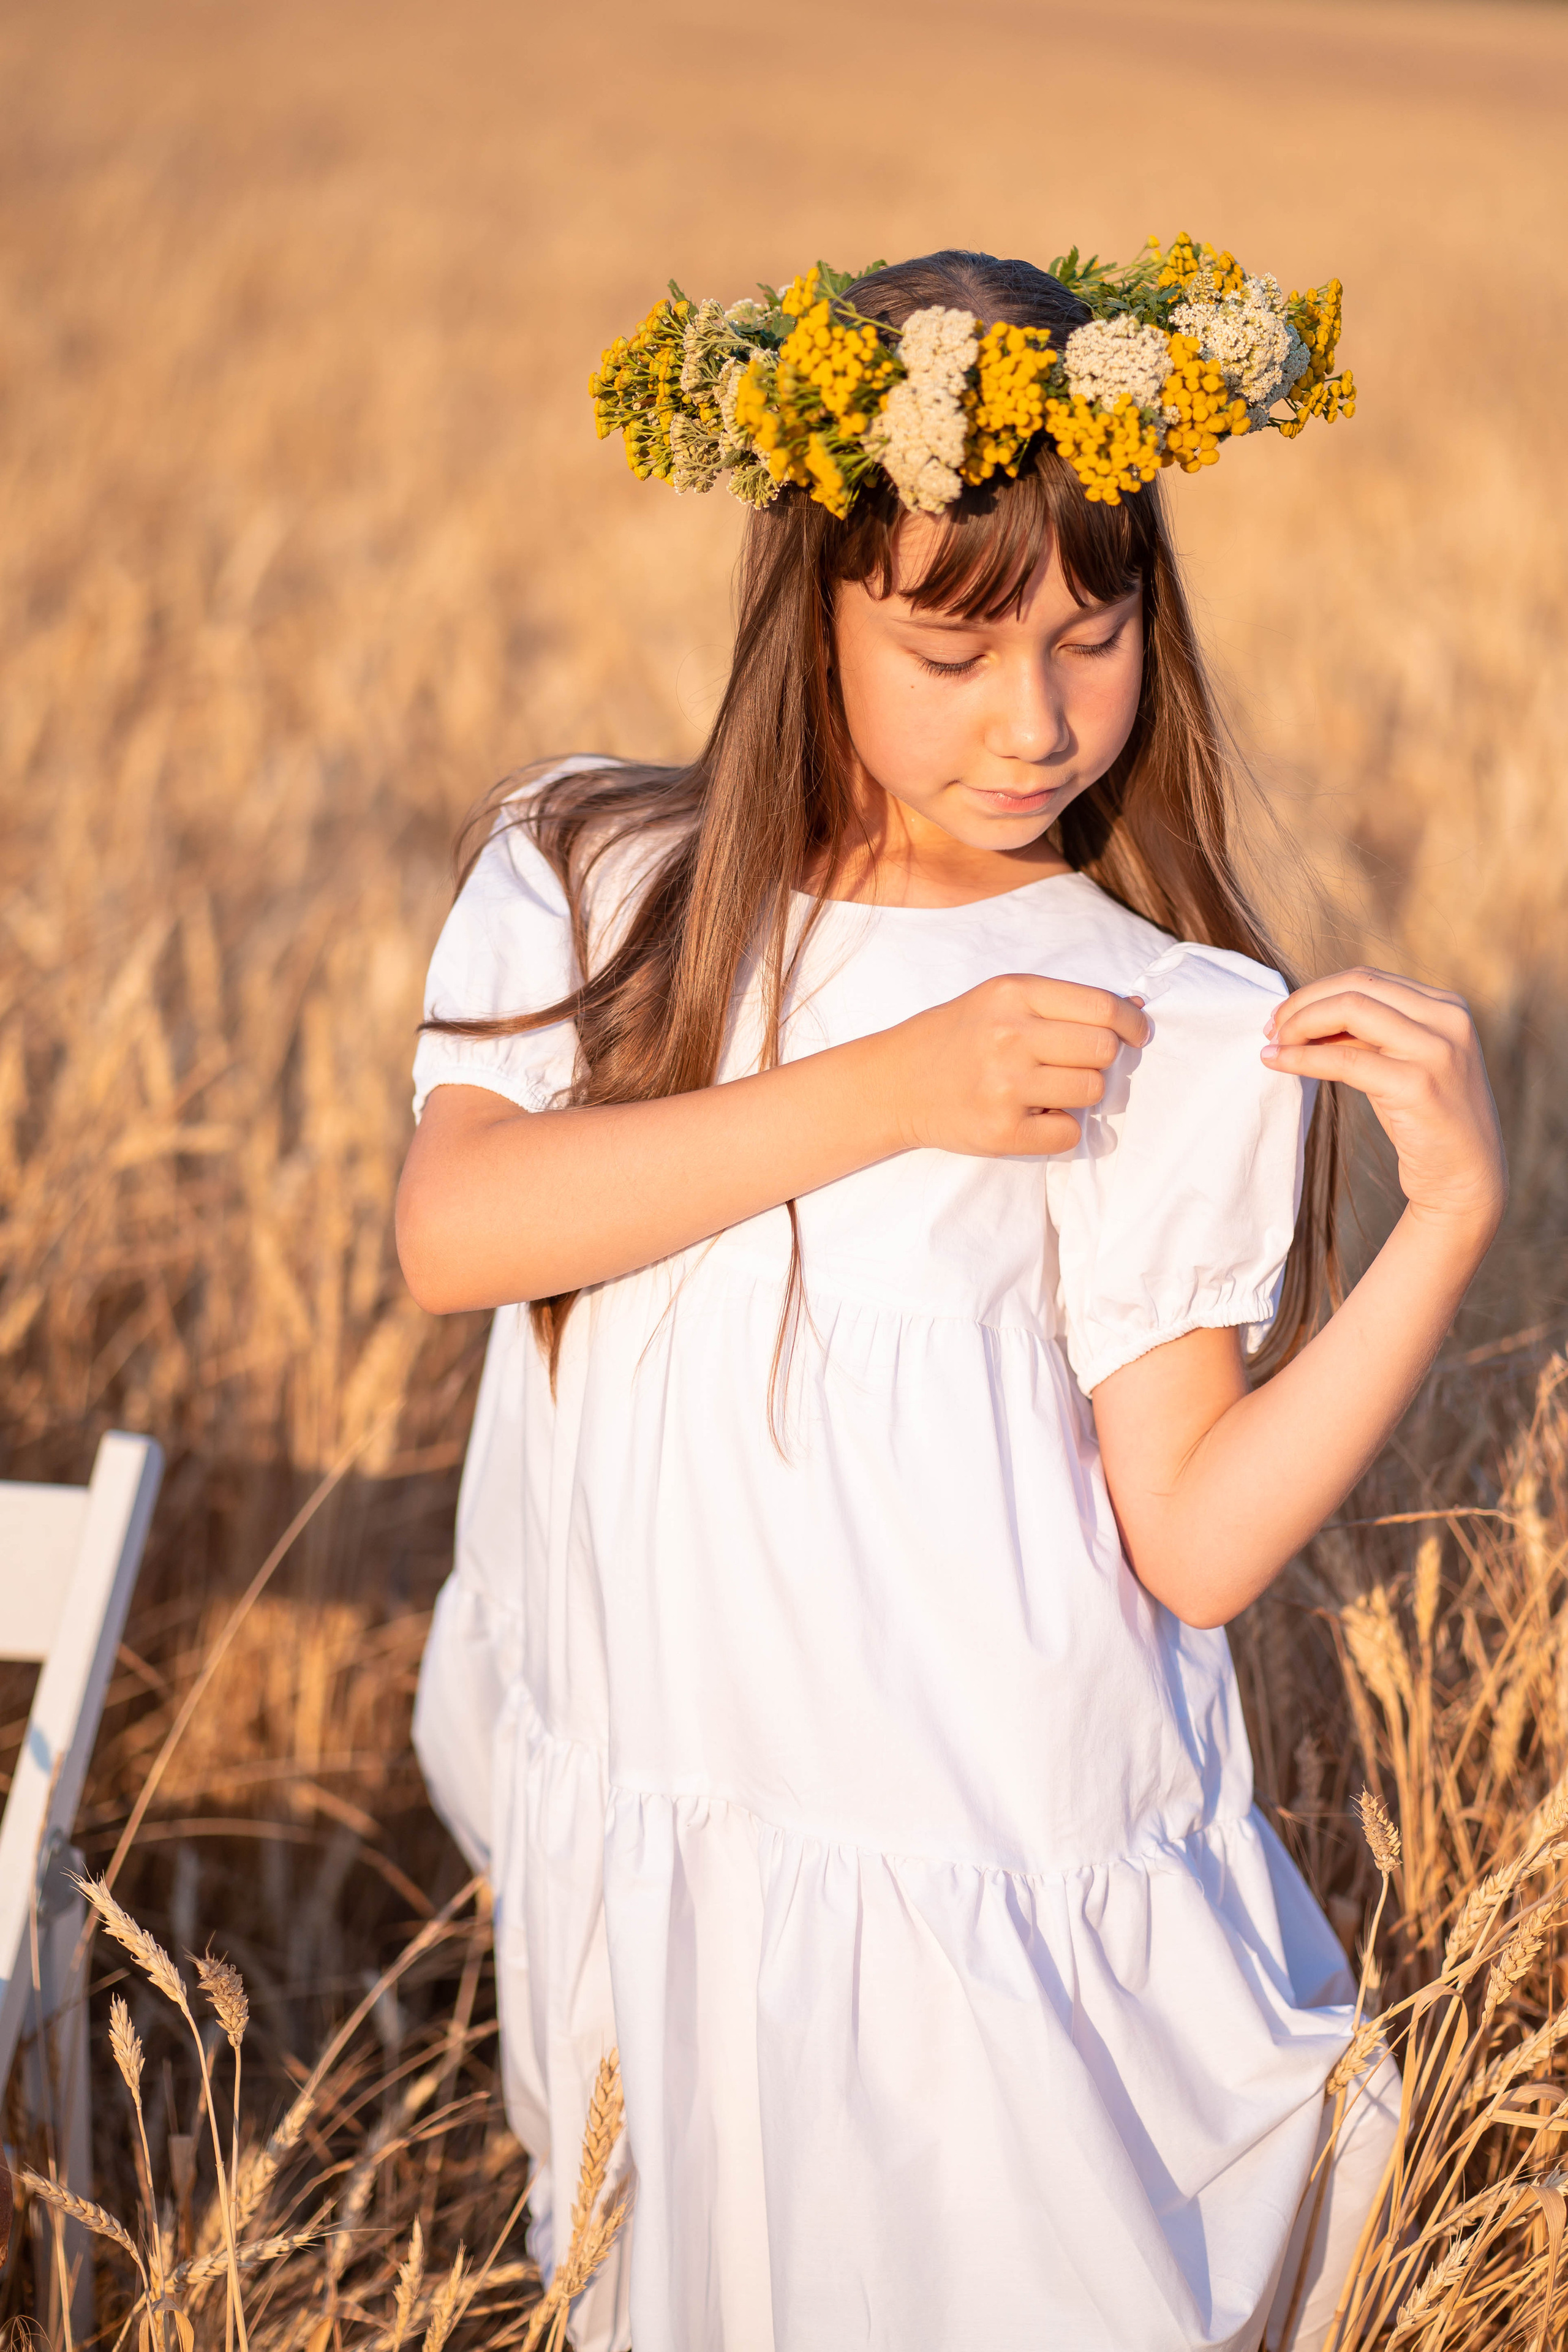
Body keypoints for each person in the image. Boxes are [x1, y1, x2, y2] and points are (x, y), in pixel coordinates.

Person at [395, 247, 1504, 2352]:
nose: (1040, 720)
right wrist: (898, 1087)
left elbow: (1186, 1541)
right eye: (954, 646)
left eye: (1097, 638)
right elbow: (463, 1232)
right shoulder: (594, 871)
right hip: (680, 1841)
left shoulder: (1170, 1017)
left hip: (974, 1885)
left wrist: (1448, 1219)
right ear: (804, 618)